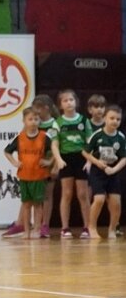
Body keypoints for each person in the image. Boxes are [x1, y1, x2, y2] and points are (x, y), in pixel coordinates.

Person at [2, 94, 59, 238]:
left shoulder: (49, 131)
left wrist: (52, 163)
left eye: (36, 118)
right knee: (26, 203)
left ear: (44, 110)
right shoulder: (21, 136)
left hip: (41, 173)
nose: (33, 121)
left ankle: (40, 227)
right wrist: (15, 163)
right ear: (24, 121)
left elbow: (56, 147)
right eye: (30, 119)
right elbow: (7, 151)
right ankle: (24, 228)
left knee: (42, 200)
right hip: (25, 174)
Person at [51, 89, 92, 238]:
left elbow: (89, 143)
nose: (69, 103)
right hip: (66, 159)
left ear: (76, 102)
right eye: (65, 100)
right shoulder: (58, 123)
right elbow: (54, 144)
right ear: (60, 105)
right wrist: (59, 160)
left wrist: (89, 161)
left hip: (81, 158)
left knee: (83, 194)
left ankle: (87, 227)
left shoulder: (83, 120)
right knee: (66, 193)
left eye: (71, 100)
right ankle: (65, 228)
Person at [83, 105, 126, 239]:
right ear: (105, 119)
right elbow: (85, 152)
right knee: (99, 199)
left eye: (118, 119)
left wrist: (114, 169)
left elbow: (124, 158)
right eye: (112, 118)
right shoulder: (97, 135)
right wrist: (97, 163)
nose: (115, 121)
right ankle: (92, 227)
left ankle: (112, 229)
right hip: (98, 171)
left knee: (116, 202)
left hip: (113, 172)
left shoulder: (120, 137)